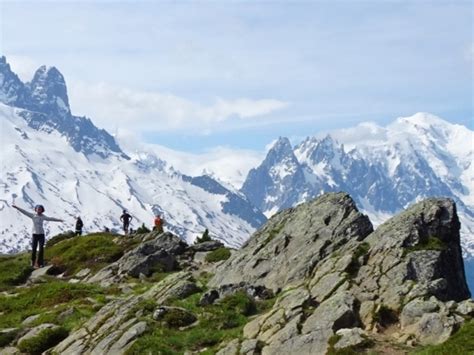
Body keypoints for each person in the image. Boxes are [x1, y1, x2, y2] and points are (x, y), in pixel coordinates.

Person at [12, 204, 64, 268]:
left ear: (42, 210)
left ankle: (40, 263)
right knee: (34, 248)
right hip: (35, 235)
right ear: (36, 209)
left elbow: (51, 219)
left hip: (41, 234)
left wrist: (59, 220)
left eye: (40, 209)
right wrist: (17, 207)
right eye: (38, 209)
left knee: (41, 248)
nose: (39, 210)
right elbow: (24, 212)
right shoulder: (33, 215)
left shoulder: (43, 216)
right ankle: (33, 262)